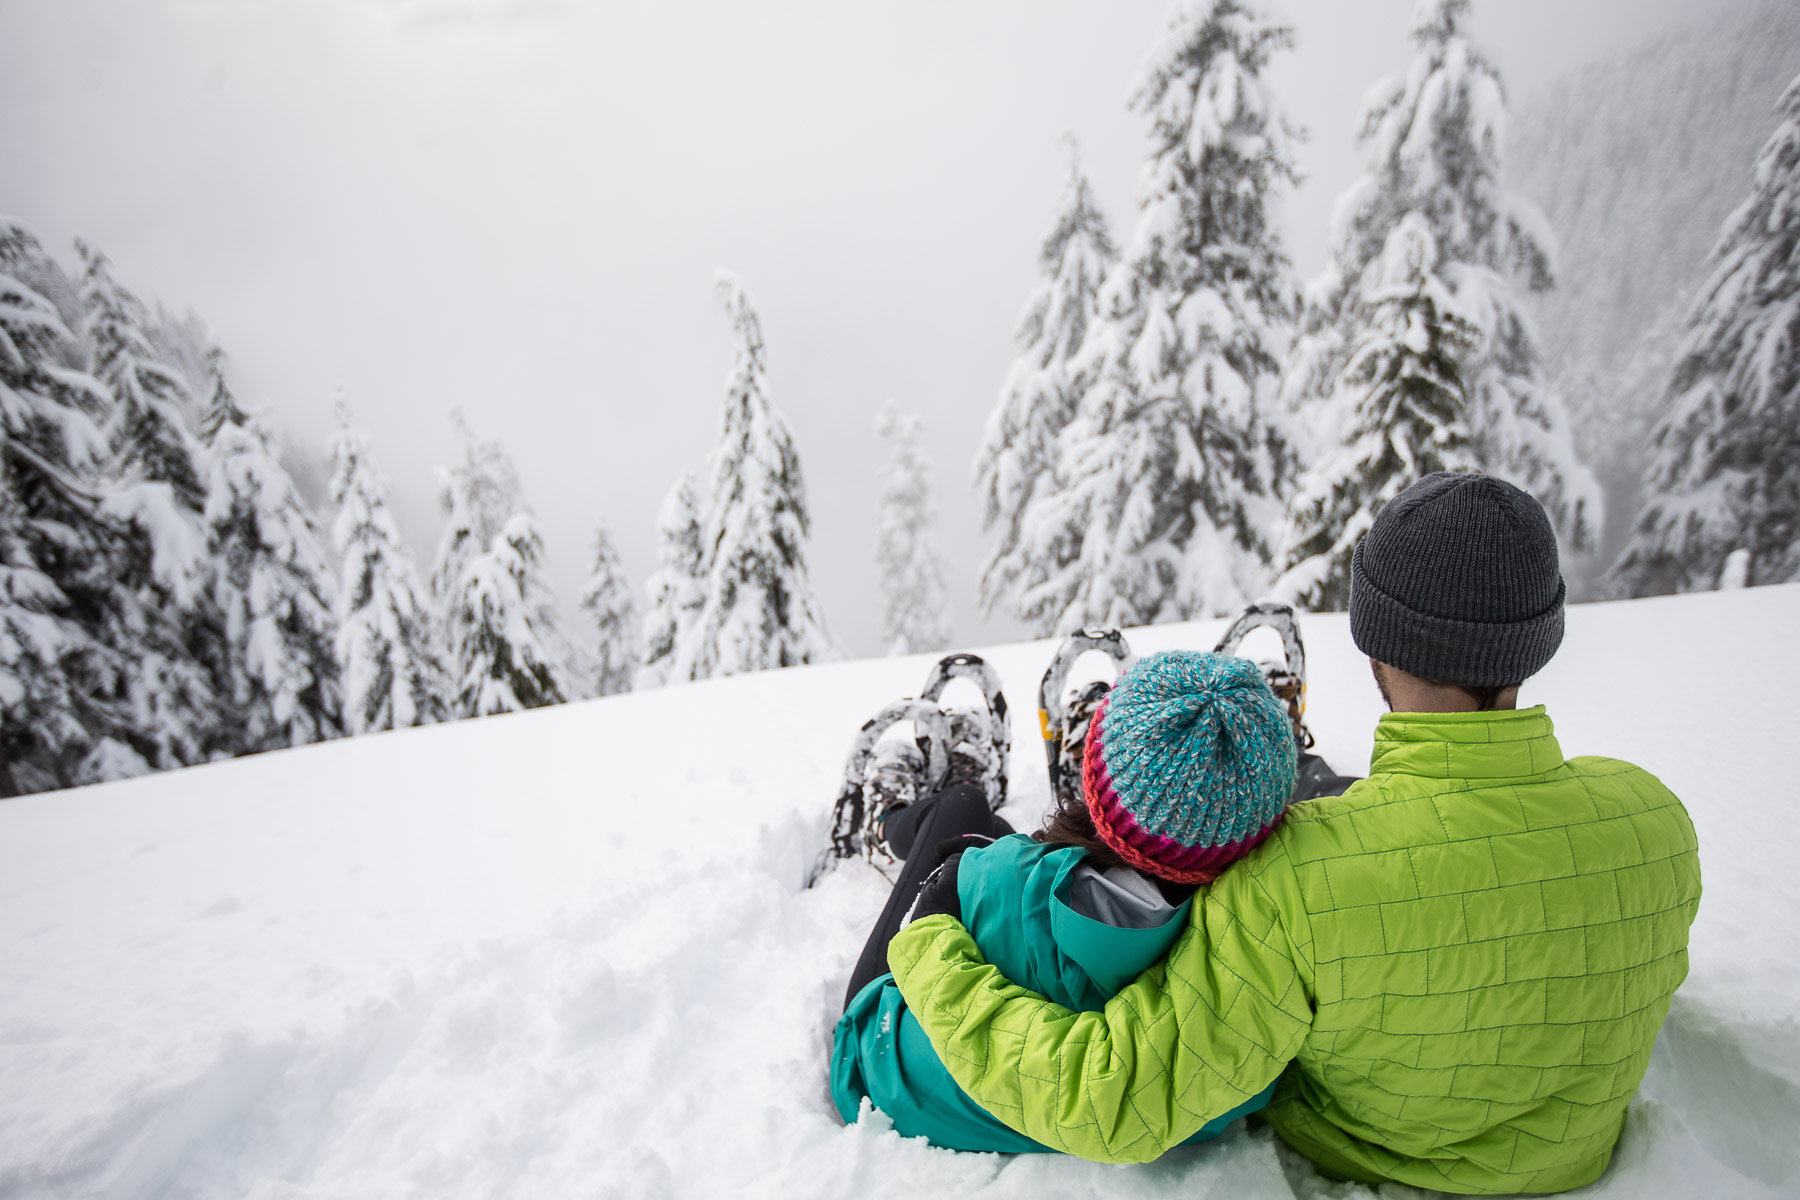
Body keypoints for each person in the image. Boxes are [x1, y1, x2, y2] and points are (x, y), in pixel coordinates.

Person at [888, 472, 1703, 1194]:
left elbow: (1115, 1100)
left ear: (1376, 638)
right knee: (1334, 796)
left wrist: (928, 945)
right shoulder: (1654, 821)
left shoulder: (1294, 878)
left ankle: (1112, 792)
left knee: (989, 826)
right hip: (1569, 1162)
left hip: (1373, 1155)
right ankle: (1217, 767)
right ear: (1540, 636)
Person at [831, 650, 1299, 1153]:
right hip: (1090, 1098)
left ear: (1095, 778)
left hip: (885, 1071)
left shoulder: (1002, 879)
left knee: (963, 810)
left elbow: (986, 883)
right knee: (993, 832)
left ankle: (885, 821)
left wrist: (952, 882)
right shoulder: (1263, 948)